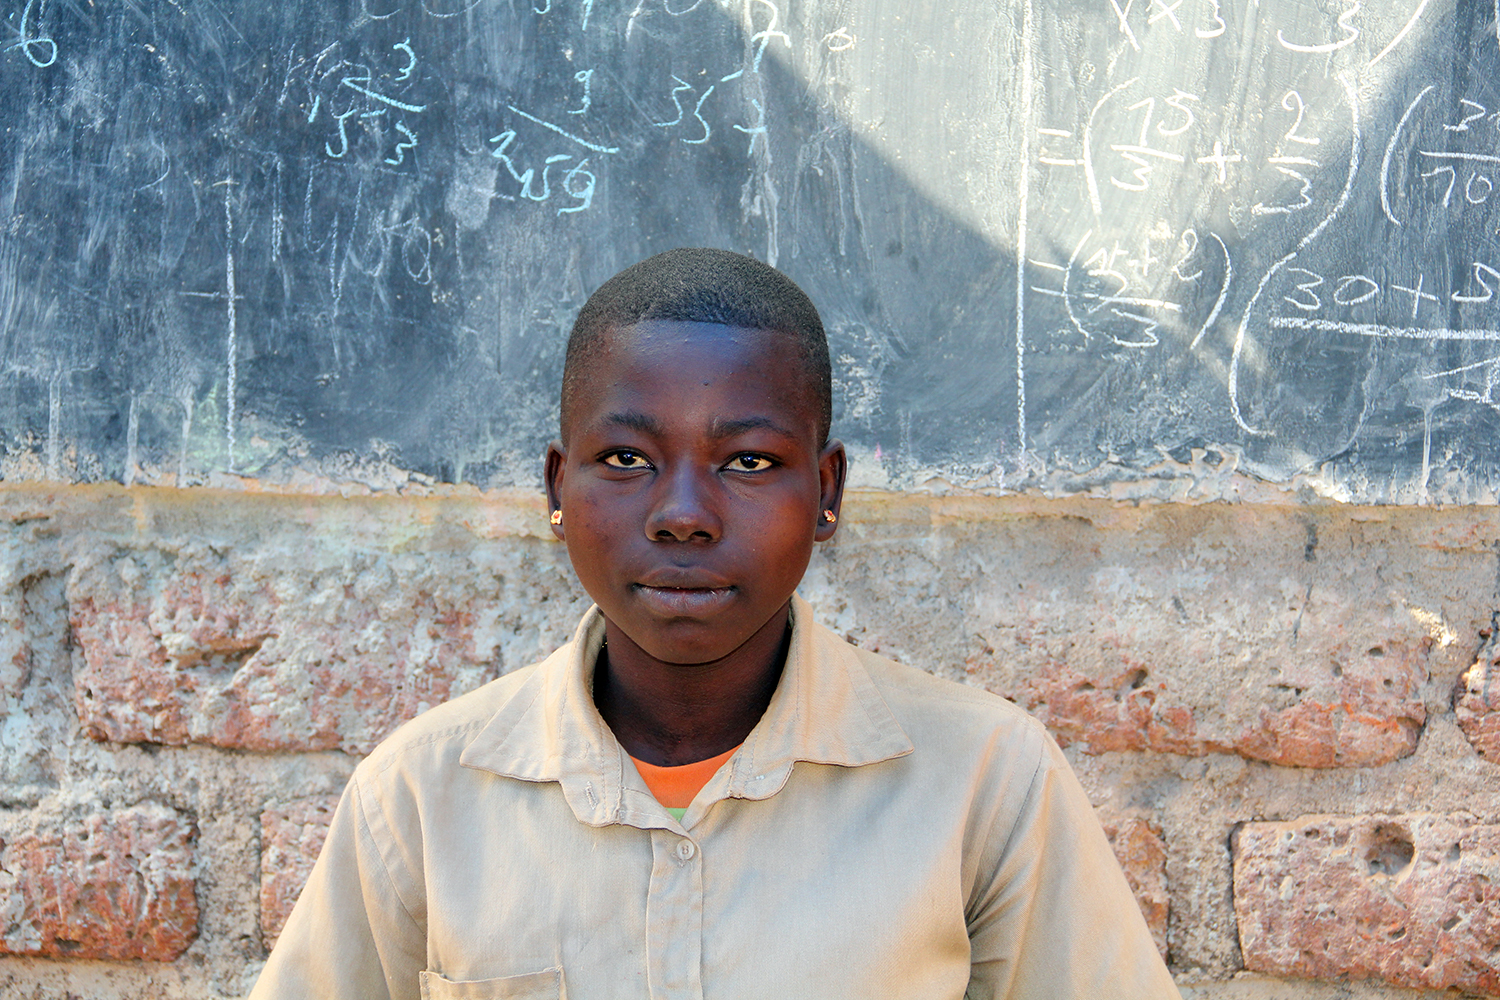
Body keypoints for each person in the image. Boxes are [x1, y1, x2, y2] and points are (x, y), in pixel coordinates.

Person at [248, 248, 1181, 1000]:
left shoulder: (984, 782)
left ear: (827, 492)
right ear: (555, 490)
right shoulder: (420, 798)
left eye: (746, 461)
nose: (683, 513)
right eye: (624, 456)